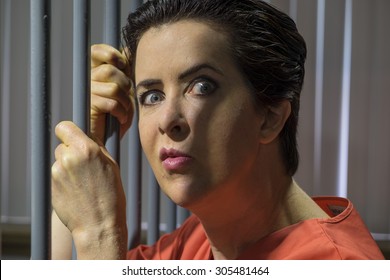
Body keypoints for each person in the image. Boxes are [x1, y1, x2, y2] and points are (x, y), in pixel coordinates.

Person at [51, 0, 385, 260]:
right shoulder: (200, 241)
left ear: (270, 117)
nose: (168, 119)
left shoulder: (335, 264)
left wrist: (99, 232)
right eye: (152, 96)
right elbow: (63, 265)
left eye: (201, 86)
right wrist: (91, 142)